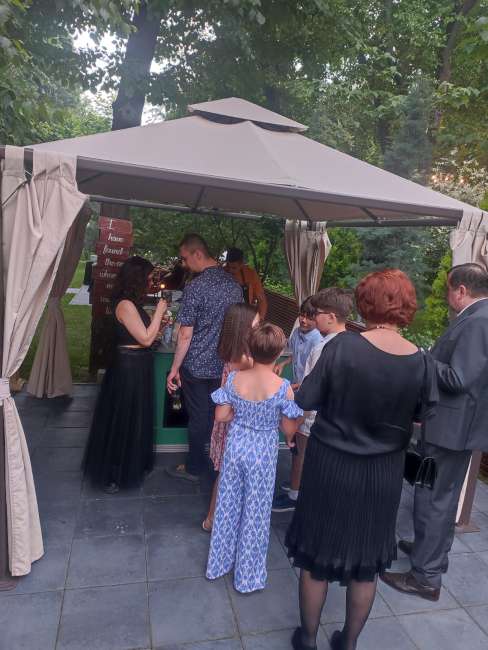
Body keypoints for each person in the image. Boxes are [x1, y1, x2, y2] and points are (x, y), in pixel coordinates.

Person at [285, 269, 434, 650]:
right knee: (366, 566)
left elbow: (306, 399)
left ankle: (307, 640)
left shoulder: (342, 347)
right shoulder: (421, 361)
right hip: (383, 472)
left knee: (315, 558)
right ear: (406, 307)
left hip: (330, 465)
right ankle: (348, 643)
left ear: (365, 304)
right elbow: (421, 416)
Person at [382, 262, 488, 602]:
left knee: (432, 499)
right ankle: (430, 555)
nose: (446, 297)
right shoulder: (479, 317)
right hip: (458, 428)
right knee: (442, 497)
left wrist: (423, 358)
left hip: (451, 430)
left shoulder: (478, 321)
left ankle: (425, 577)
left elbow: (458, 379)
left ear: (461, 290)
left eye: (448, 290)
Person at [206, 323, 303, 593]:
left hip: (236, 447)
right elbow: (287, 429)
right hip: (262, 453)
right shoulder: (283, 387)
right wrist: (297, 417)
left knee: (227, 505)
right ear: (279, 352)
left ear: (249, 349)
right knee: (255, 513)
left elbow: (221, 416)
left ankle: (219, 564)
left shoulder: (234, 378)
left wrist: (241, 416)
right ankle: (247, 577)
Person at [83, 256, 167, 493]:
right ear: (137, 278)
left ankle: (131, 465)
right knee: (122, 419)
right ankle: (113, 473)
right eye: (148, 277)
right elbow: (145, 339)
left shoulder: (133, 304)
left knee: (135, 418)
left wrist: (159, 325)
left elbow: (143, 335)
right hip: (128, 367)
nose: (151, 282)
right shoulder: (126, 305)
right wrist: (159, 311)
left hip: (138, 364)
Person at [166, 234, 243, 482]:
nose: (184, 264)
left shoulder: (195, 287)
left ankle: (195, 467)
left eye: (185, 258)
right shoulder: (233, 285)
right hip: (225, 365)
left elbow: (185, 333)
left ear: (197, 254)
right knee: (219, 414)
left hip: (196, 365)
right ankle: (217, 460)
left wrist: (174, 368)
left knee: (199, 416)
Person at [272, 288, 353, 513]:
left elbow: (310, 392)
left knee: (300, 453)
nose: (313, 319)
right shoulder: (350, 343)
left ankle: (295, 495)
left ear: (331, 317)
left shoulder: (322, 348)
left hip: (311, 414)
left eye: (316, 314)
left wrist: (294, 424)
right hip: (331, 416)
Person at [202, 302, 260, 532]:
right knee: (229, 477)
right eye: (256, 324)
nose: (259, 328)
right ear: (243, 327)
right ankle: (213, 519)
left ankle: (212, 519)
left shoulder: (233, 353)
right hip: (235, 422)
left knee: (225, 475)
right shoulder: (245, 360)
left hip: (228, 421)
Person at [274, 297, 323, 389]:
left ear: (317, 319)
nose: (303, 320)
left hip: (307, 388)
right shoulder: (296, 332)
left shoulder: (318, 343)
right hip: (296, 382)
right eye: (302, 315)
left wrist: (292, 387)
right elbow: (296, 355)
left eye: (309, 318)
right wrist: (283, 364)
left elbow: (315, 375)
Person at [225, 247, 268, 319]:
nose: (230, 270)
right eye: (228, 266)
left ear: (241, 264)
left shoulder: (250, 274)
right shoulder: (221, 271)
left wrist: (261, 318)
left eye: (234, 268)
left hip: (243, 317)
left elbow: (261, 299)